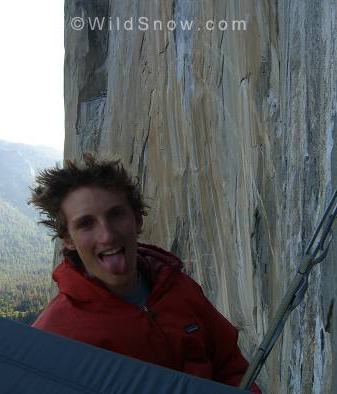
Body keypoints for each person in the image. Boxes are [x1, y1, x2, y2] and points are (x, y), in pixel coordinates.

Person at [30, 154, 260, 392]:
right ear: (68, 239)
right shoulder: (55, 334)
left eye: (116, 214)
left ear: (138, 220)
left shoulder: (178, 288)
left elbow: (230, 365)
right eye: (86, 224)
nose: (107, 235)